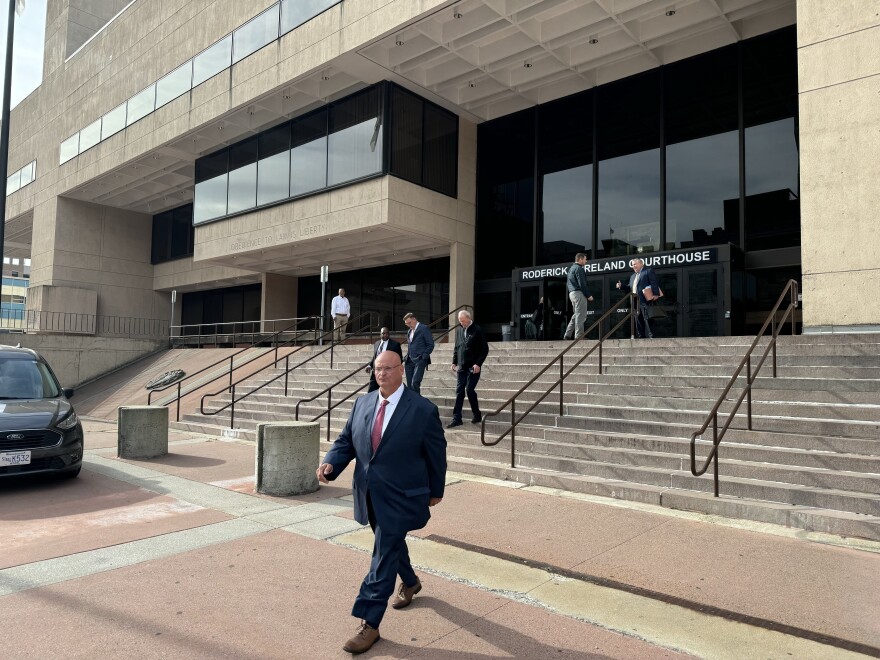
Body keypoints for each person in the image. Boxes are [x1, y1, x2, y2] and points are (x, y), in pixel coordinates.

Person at [317, 350, 446, 654]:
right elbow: (347, 440)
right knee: (389, 542)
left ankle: (369, 622)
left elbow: (436, 454)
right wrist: (331, 463)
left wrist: (436, 489)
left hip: (403, 496)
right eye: (377, 369)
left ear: (402, 370)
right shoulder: (363, 402)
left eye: (388, 369)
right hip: (369, 494)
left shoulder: (422, 410)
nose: (382, 374)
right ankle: (411, 581)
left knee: (383, 553)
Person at [447, 310, 489, 428]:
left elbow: (484, 349)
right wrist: (454, 362)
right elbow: (457, 347)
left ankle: (477, 415)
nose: (461, 323)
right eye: (460, 321)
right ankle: (457, 418)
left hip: (473, 367)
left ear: (469, 319)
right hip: (462, 366)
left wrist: (478, 364)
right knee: (459, 391)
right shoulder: (460, 329)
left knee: (470, 390)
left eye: (463, 321)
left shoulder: (477, 330)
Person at [617, 257, 661, 339]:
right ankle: (641, 336)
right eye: (632, 265)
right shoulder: (632, 276)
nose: (633, 266)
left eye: (635, 264)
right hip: (635, 301)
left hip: (646, 299)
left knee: (648, 318)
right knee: (638, 318)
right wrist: (621, 286)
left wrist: (655, 294)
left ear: (641, 264)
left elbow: (654, 282)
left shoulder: (648, 271)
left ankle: (652, 336)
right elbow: (630, 287)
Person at [563, 252, 594, 340]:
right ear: (580, 259)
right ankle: (579, 336)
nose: (586, 261)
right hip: (578, 294)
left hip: (572, 293)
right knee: (581, 315)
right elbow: (582, 284)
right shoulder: (579, 269)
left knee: (576, 314)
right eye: (585, 259)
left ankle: (567, 335)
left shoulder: (571, 269)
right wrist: (588, 295)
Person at [403, 312, 434, 395]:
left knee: (415, 383)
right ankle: (412, 404)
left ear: (414, 319)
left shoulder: (424, 328)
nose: (408, 325)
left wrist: (424, 356)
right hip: (409, 361)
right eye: (406, 324)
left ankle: (418, 404)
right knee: (409, 385)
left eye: (409, 323)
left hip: (420, 359)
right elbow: (411, 345)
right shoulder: (409, 331)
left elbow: (430, 344)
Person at [365, 327, 403, 393]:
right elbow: (375, 357)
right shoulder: (377, 343)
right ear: (380, 334)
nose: (385, 335)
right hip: (376, 372)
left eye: (387, 333)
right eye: (383, 333)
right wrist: (369, 365)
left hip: (387, 373)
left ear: (389, 334)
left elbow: (400, 359)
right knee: (371, 392)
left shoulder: (395, 345)